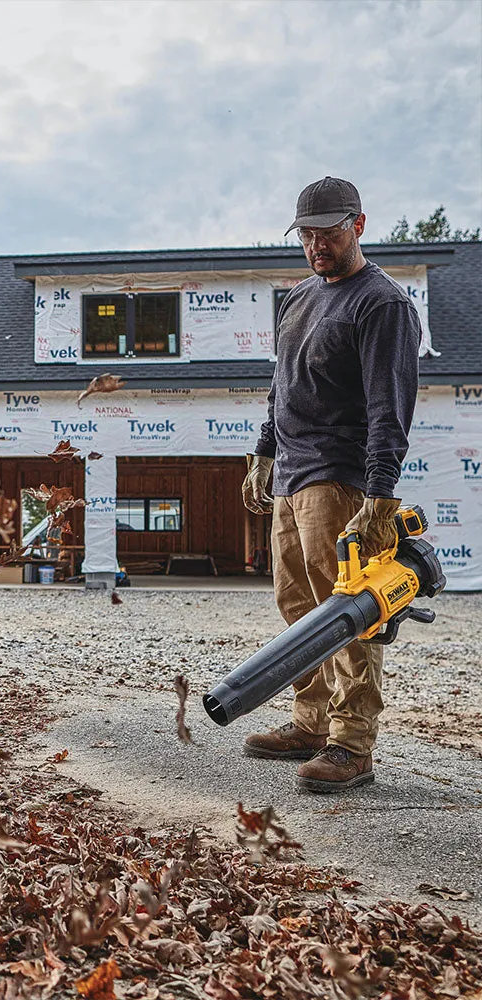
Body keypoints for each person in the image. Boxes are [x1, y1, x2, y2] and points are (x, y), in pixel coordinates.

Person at [241, 176, 421, 793]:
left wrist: (380, 494)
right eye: (308, 236)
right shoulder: (298, 298)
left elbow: (388, 407)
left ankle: (351, 744)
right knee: (298, 610)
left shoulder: (381, 303)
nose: (317, 246)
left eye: (330, 233)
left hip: (340, 478)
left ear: (360, 226)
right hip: (291, 475)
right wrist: (264, 450)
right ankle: (311, 722)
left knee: (347, 613)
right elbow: (280, 384)